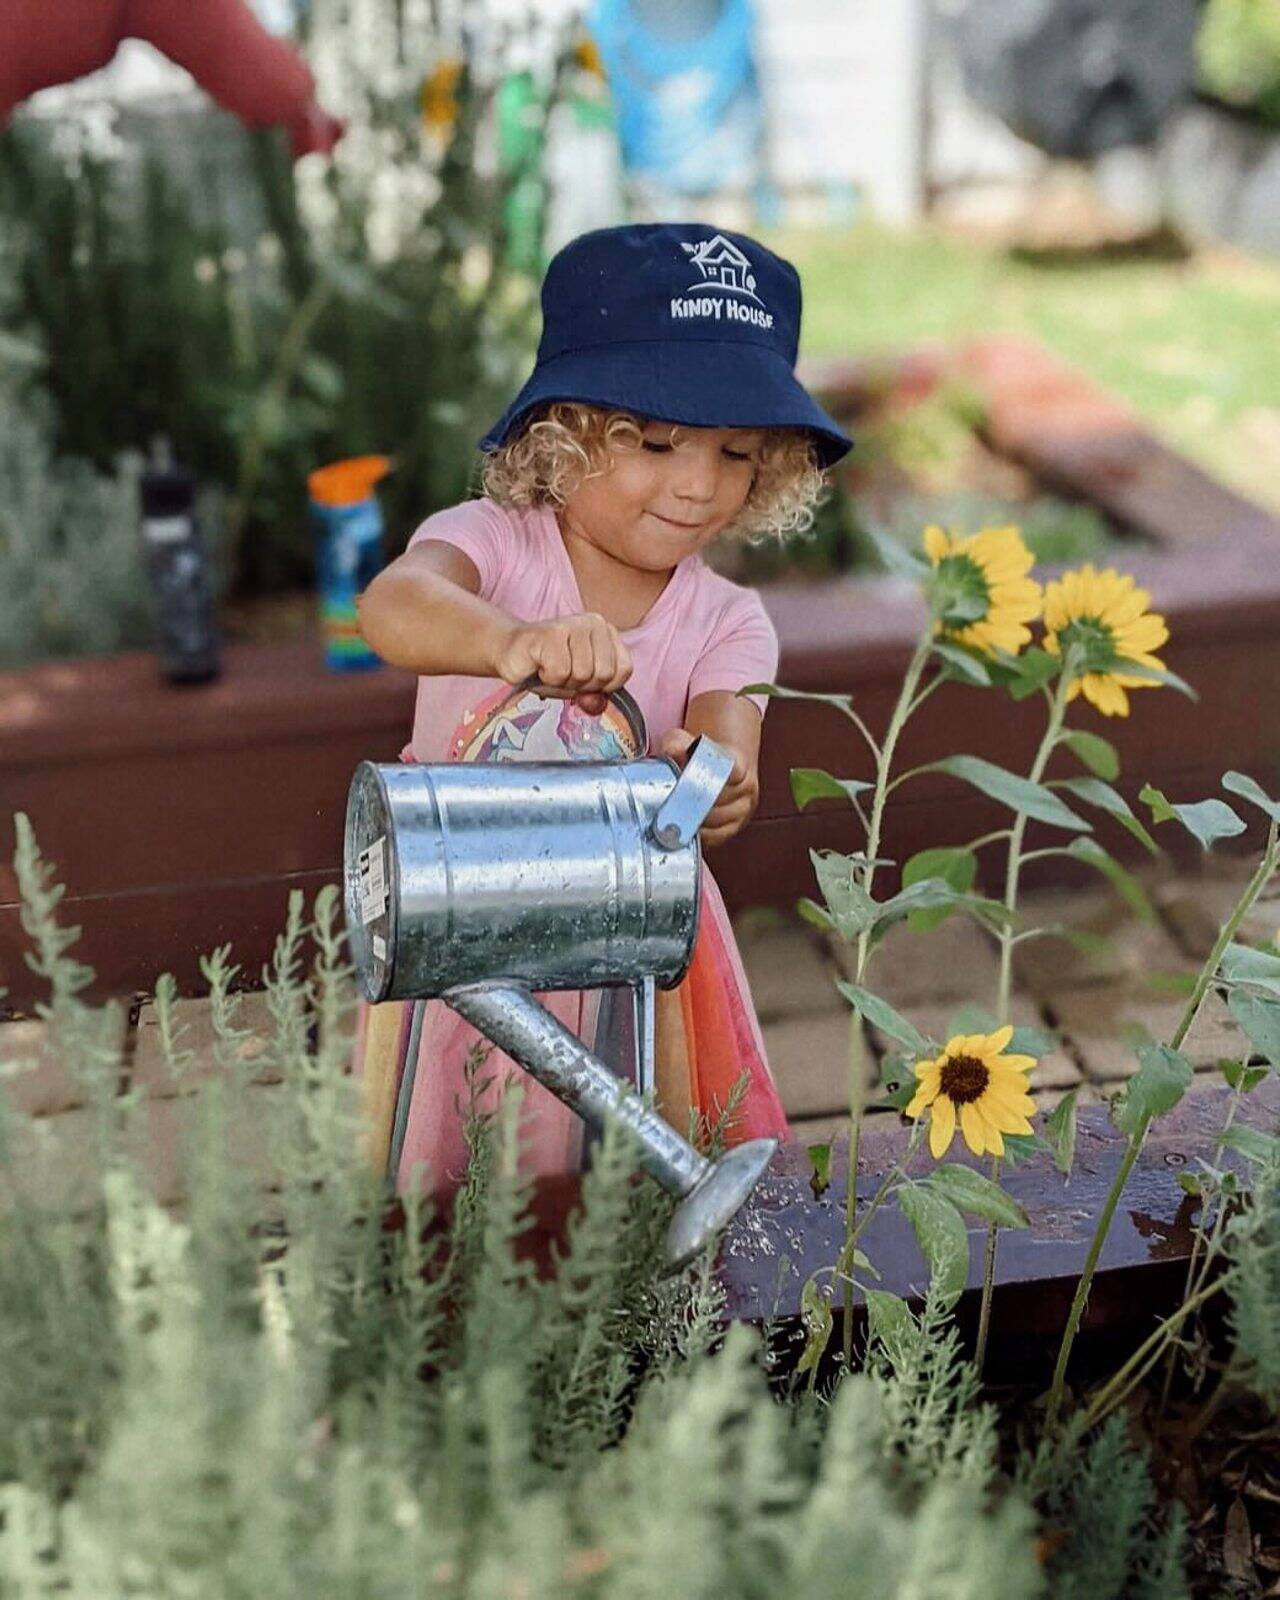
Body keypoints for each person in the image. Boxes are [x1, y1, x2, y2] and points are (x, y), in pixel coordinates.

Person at [355, 221, 851, 1192]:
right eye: (655, 440)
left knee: (630, 1179)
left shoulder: (729, 621)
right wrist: (506, 640)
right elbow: (392, 604)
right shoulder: (490, 548)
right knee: (453, 1167)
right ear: (563, 433)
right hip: (463, 932)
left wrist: (707, 778)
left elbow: (725, 745)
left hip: (633, 952)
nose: (698, 483)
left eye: (737, 452)